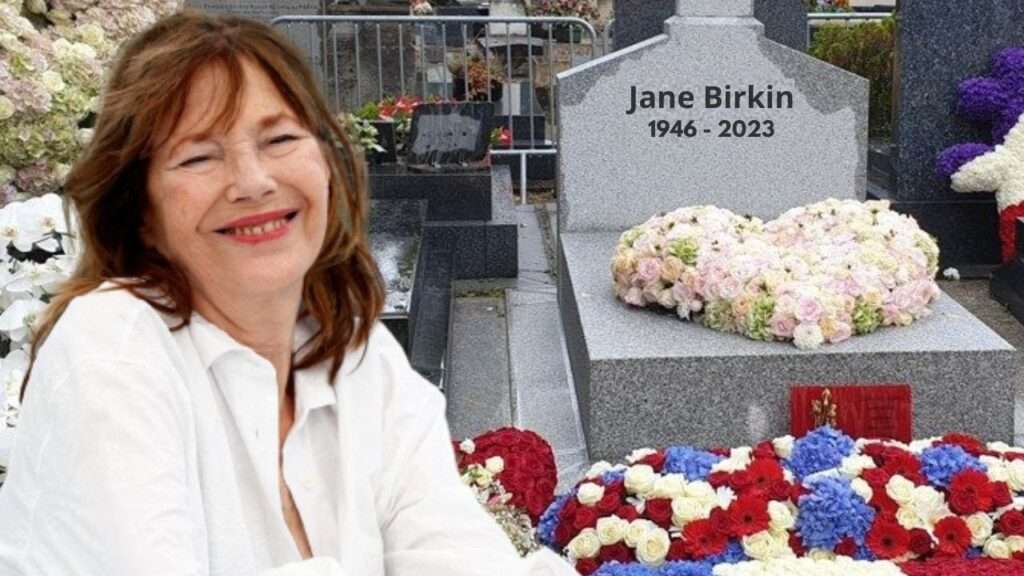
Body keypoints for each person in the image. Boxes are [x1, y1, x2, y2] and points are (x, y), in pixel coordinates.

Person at [0, 11, 576, 576]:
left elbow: (456, 549)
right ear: (140, 208)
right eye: (199, 156)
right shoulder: (112, 350)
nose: (253, 182)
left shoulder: (355, 355)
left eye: (278, 139)